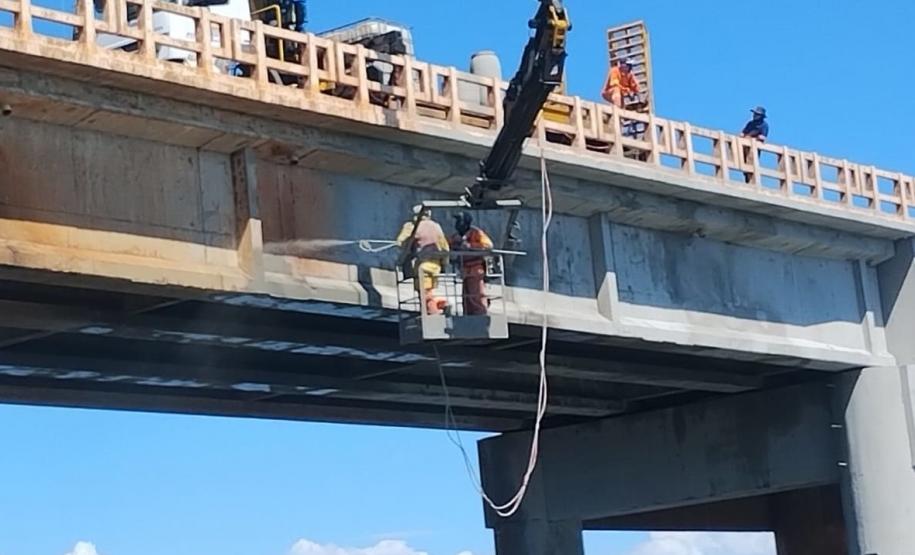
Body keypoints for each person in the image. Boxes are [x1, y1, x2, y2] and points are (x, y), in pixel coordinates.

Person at [396, 206, 450, 316]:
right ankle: (439, 305)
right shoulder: (436, 226)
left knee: (424, 292)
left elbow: (400, 242)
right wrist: (445, 263)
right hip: (436, 265)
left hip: (423, 264)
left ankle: (435, 311)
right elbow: (445, 247)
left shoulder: (413, 227)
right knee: (429, 290)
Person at [450, 211, 494, 316]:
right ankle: (468, 316)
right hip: (464, 270)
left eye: (459, 221)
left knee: (476, 295)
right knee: (466, 297)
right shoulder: (456, 236)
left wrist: (470, 246)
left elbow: (488, 246)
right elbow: (447, 244)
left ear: (465, 223)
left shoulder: (476, 233)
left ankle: (480, 315)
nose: (457, 224)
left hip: (475, 268)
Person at [740, 106, 769, 183]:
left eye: (757, 114)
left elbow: (762, 137)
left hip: (754, 146)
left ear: (761, 116)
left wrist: (753, 139)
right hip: (745, 145)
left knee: (752, 163)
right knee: (744, 162)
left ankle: (751, 181)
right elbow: (743, 133)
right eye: (754, 114)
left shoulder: (764, 125)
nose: (754, 115)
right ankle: (746, 179)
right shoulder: (750, 123)